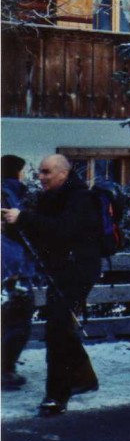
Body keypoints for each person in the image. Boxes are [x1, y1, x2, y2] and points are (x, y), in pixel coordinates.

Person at [0, 154, 101, 416]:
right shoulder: (50, 198)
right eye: (40, 172)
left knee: (57, 329)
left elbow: (63, 230)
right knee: (62, 326)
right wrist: (11, 226)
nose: (40, 177)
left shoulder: (80, 198)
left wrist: (22, 219)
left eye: (46, 172)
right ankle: (83, 378)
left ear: (63, 174)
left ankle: (56, 396)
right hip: (61, 269)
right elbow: (40, 233)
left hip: (78, 270)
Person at [2, 155, 37, 390]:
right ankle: (5, 371)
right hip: (13, 270)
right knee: (18, 320)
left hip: (11, 267)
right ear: (16, 172)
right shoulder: (9, 194)